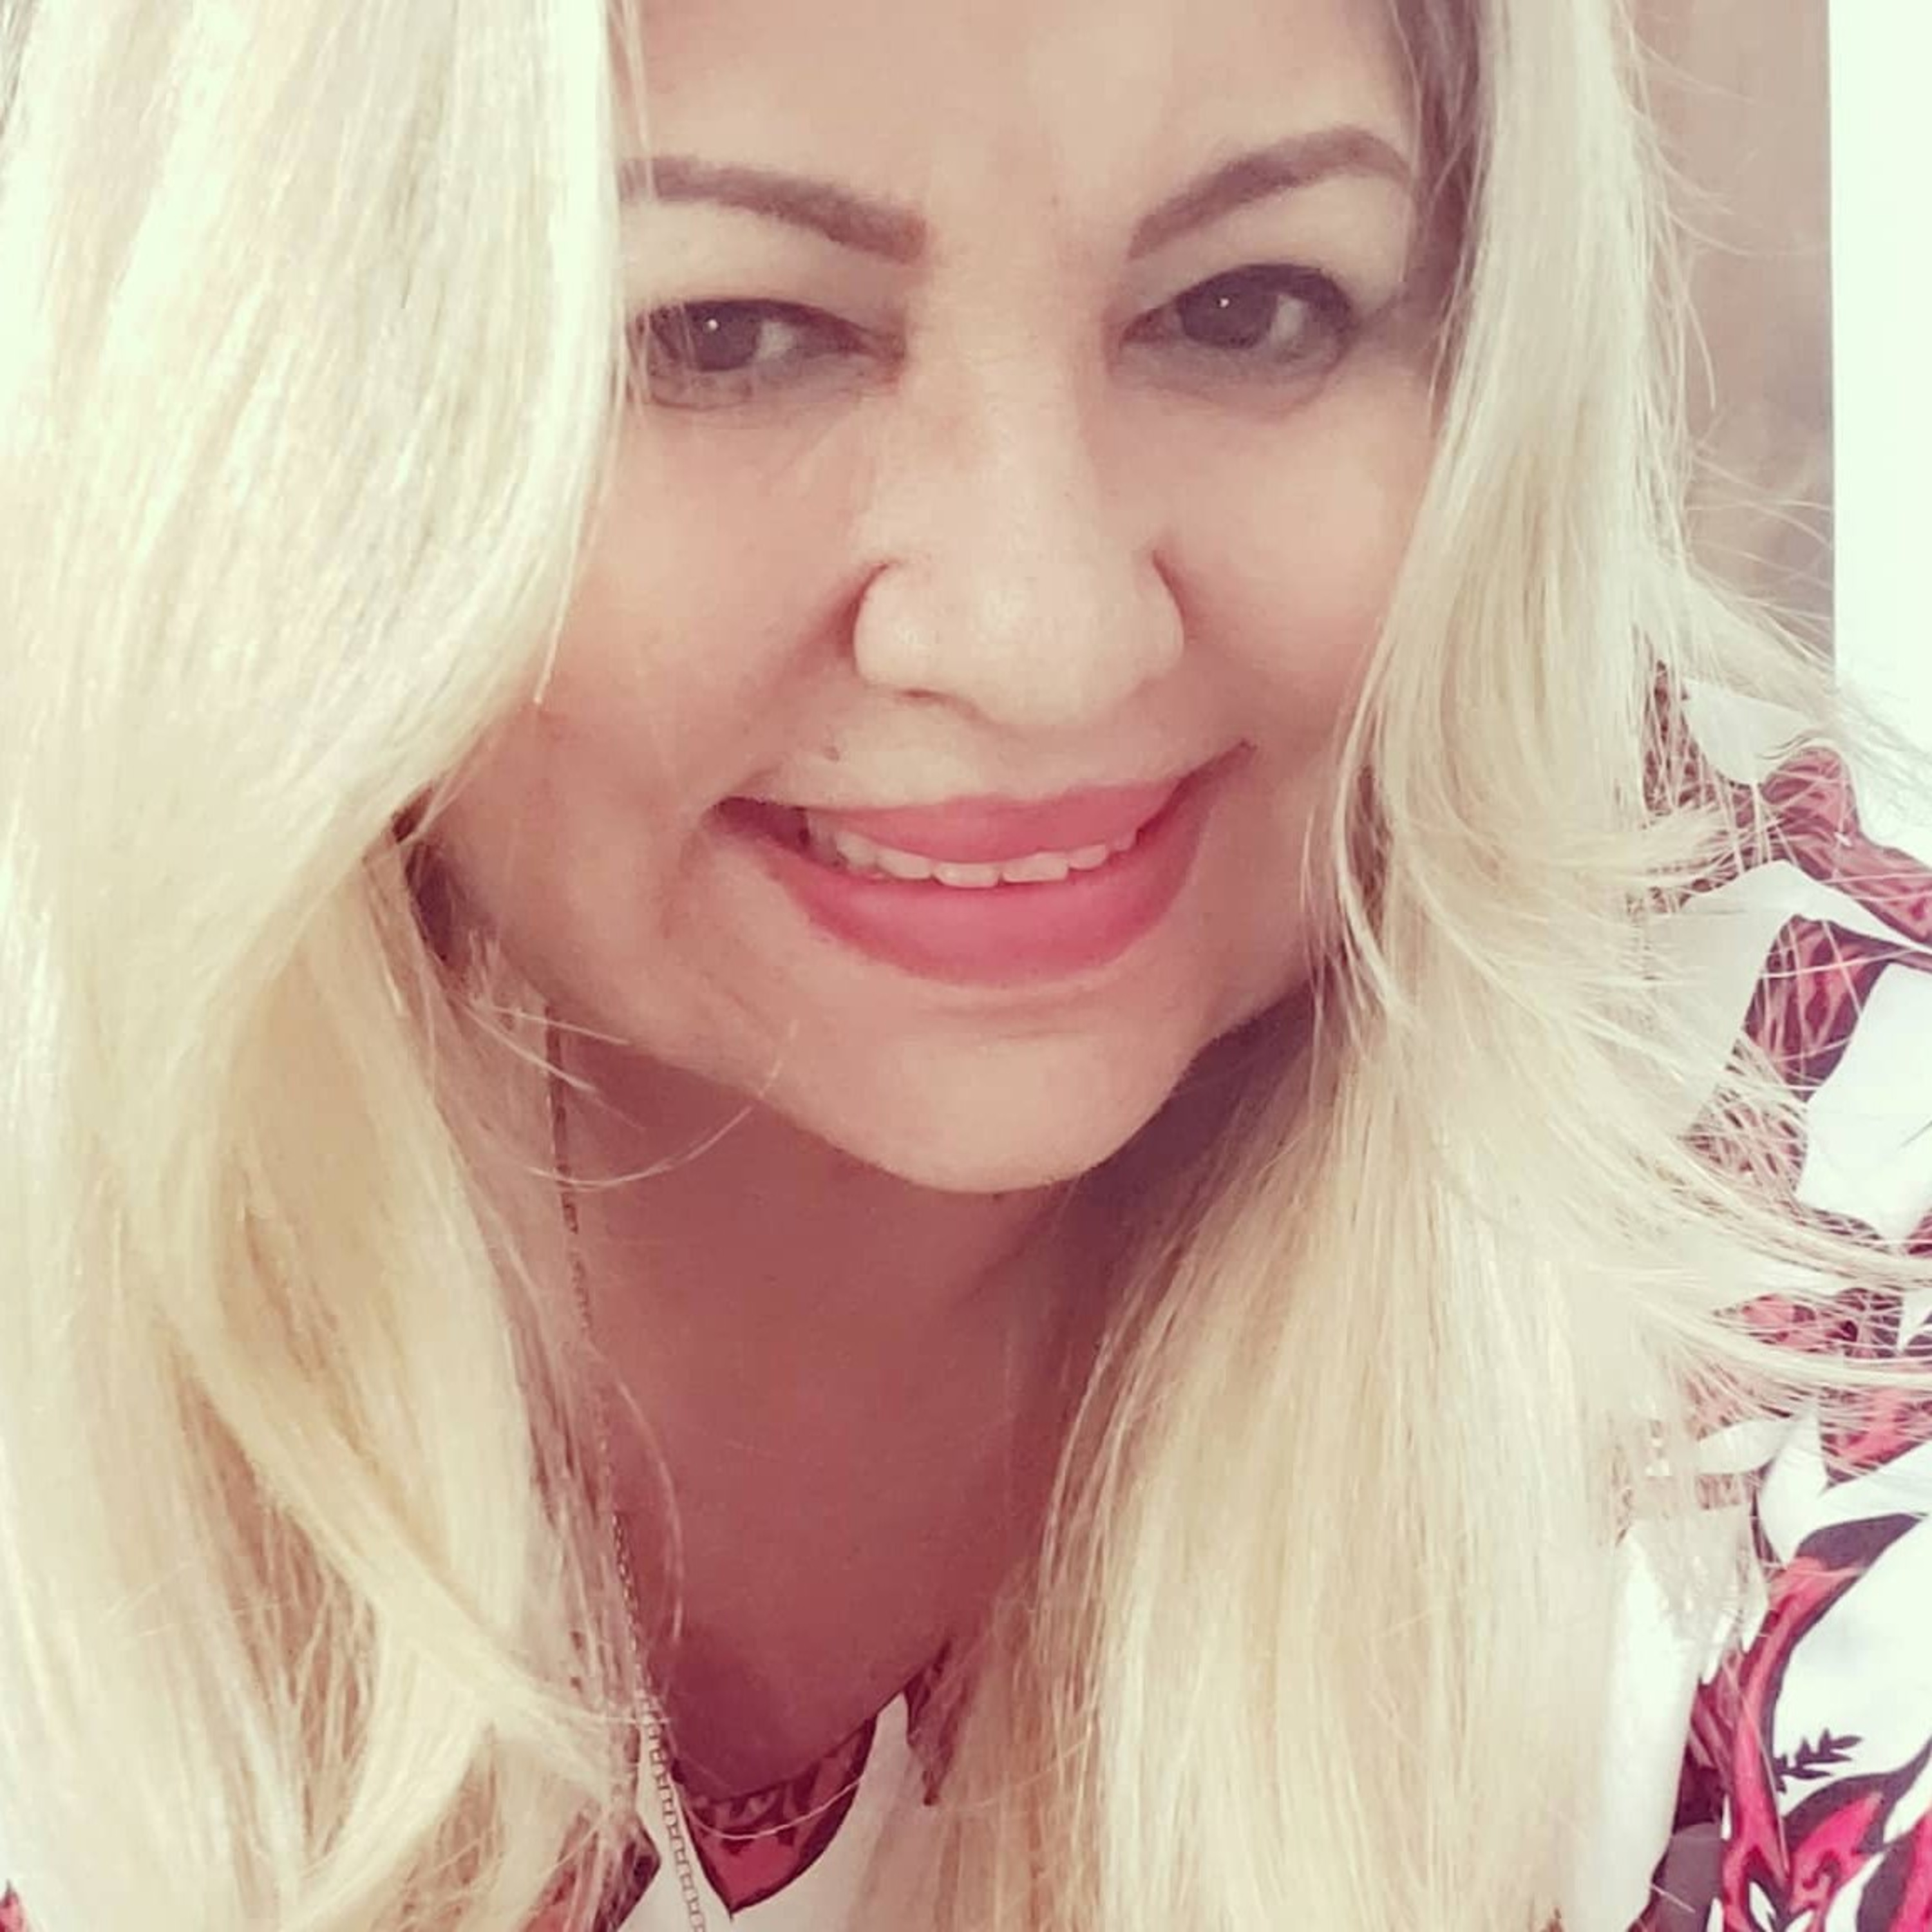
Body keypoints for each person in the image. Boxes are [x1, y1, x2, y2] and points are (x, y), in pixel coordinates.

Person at [0, 0, 1927, 1927]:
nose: (1045, 639)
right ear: (263, 403)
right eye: (725, 334)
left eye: (1246, 308)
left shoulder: (1812, 1172)